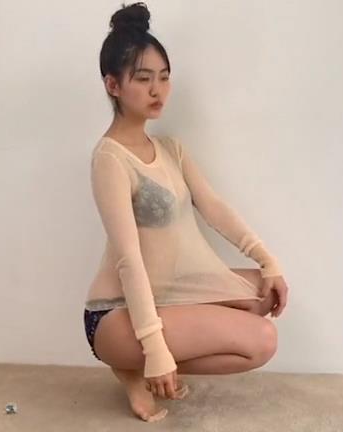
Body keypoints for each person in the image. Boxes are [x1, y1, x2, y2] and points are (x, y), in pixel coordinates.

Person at [83, 2, 290, 423]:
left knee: (265, 294)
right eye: (144, 78)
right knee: (263, 340)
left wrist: (267, 260)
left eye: (164, 77)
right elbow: (128, 259)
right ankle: (136, 366)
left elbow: (214, 207)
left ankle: (149, 357)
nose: (158, 90)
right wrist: (156, 349)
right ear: (113, 84)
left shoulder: (170, 149)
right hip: (115, 315)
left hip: (168, 295)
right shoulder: (110, 159)